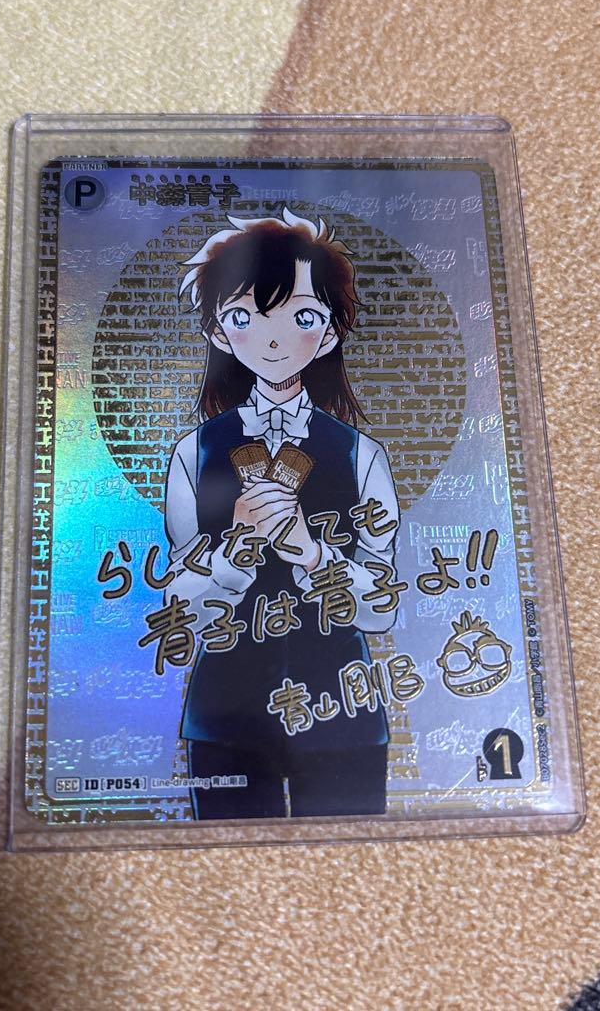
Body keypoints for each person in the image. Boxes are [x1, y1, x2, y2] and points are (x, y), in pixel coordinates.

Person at [161, 208, 400, 819]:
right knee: (230, 862)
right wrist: (235, 551)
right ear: (220, 331)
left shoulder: (360, 454)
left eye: (302, 317)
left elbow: (382, 606)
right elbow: (181, 606)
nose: (274, 339)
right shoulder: (194, 453)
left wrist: (311, 552)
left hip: (340, 708)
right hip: (226, 713)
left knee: (352, 860)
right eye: (245, 317)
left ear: (329, 334)